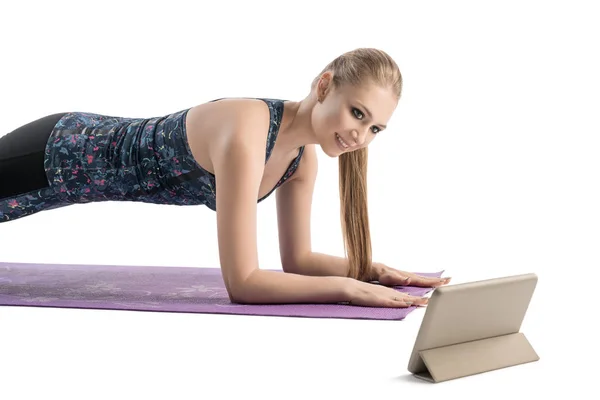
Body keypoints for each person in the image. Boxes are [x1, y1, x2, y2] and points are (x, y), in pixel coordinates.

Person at [0, 47, 451, 307]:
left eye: (375, 128)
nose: (361, 136)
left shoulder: (300, 159)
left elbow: (298, 261)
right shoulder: (248, 130)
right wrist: (347, 290)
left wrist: (372, 271)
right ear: (324, 87)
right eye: (358, 113)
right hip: (56, 152)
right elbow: (244, 283)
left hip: (69, 181)